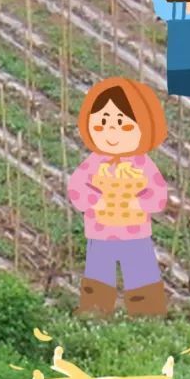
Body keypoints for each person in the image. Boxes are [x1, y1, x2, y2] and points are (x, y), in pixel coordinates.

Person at [67, 78, 170, 320]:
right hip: (100, 233)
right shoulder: (94, 163)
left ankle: (147, 316)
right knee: (98, 275)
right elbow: (77, 189)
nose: (112, 132)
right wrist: (96, 202)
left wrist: (137, 203)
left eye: (123, 125)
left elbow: (158, 195)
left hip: (136, 234)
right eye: (102, 124)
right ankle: (95, 314)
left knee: (141, 275)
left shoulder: (142, 163)